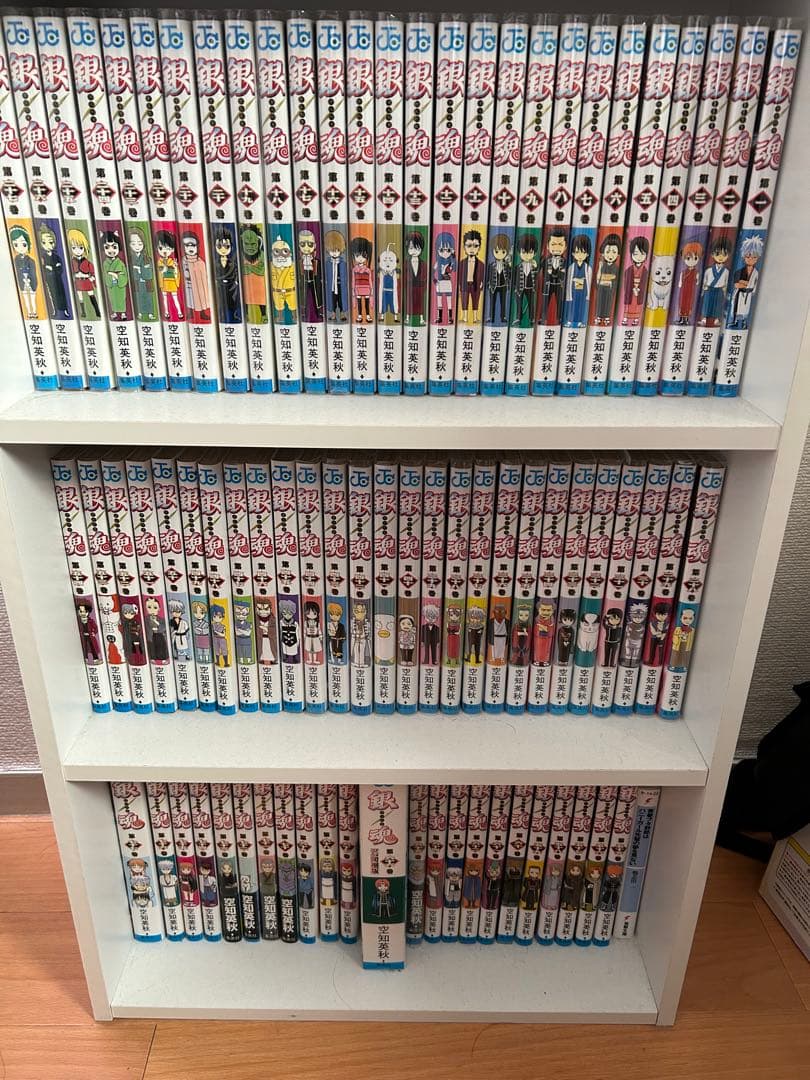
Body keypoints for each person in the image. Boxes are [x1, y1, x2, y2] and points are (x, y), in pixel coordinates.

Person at [37, 225, 71, 318]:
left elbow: (60, 268)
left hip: (58, 279)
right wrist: (48, 268)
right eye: (44, 242)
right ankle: (55, 311)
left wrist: (54, 268)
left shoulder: (57, 257)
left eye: (51, 242)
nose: (48, 245)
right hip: (49, 280)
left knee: (62, 294)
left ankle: (65, 310)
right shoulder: (42, 257)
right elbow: (42, 269)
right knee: (52, 295)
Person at [67, 228, 101, 319]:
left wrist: (91, 277)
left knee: (91, 295)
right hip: (78, 282)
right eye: (74, 248)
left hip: (86, 281)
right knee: (80, 297)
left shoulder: (87, 262)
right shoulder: (72, 262)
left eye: (81, 247)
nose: (77, 250)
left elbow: (92, 272)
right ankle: (83, 312)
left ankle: (97, 311)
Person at [213, 226, 241, 323]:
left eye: (226, 246)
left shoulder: (232, 262)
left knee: (232, 302)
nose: (223, 249)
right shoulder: (216, 262)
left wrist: (236, 282)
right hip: (220, 286)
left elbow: (236, 272)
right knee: (221, 302)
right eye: (219, 246)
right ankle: (222, 316)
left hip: (231, 286)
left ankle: (234, 315)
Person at [127, 227, 157, 320]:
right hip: (137, 283)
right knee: (138, 297)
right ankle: (139, 313)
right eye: (133, 244)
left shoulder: (147, 258)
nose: (137, 246)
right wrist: (140, 269)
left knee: (148, 298)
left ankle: (150, 313)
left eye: (140, 243)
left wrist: (140, 269)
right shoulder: (130, 259)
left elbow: (149, 273)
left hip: (146, 283)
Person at [181, 231, 211, 321]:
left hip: (198, 287)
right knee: (189, 298)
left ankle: (202, 313)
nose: (190, 248)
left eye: (193, 245)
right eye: (187, 245)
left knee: (200, 297)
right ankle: (190, 312)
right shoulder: (183, 261)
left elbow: (204, 278)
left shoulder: (200, 262)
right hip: (188, 285)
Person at [240, 225, 268, 321]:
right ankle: (247, 316)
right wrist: (252, 268)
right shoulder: (241, 256)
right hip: (247, 284)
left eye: (253, 244)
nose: (250, 247)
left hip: (259, 284)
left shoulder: (261, 255)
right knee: (247, 299)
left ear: (258, 243)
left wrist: (250, 268)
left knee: (261, 300)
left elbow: (261, 270)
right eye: (246, 244)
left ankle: (264, 315)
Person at [154, 229, 184, 320]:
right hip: (164, 283)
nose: (164, 251)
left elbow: (176, 273)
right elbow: (160, 271)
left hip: (172, 282)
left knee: (175, 298)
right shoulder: (159, 261)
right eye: (161, 248)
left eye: (168, 248)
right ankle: (166, 312)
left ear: (172, 249)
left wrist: (175, 269)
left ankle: (179, 312)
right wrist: (164, 269)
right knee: (164, 298)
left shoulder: (172, 261)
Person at [9, 225, 38, 318]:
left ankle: (34, 312)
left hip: (31, 284)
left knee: (32, 298)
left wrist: (30, 280)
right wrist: (22, 280)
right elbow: (17, 273)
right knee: (25, 299)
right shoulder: (16, 260)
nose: (20, 248)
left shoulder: (31, 260)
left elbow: (34, 273)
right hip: (23, 284)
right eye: (16, 245)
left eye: (24, 244)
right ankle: (29, 313)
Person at [100, 229, 129, 319]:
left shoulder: (120, 263)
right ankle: (115, 312)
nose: (111, 250)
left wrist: (116, 275)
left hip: (120, 286)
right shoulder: (105, 263)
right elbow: (105, 275)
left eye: (114, 247)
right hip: (111, 286)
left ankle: (123, 313)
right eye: (107, 247)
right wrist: (113, 275)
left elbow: (124, 275)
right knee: (112, 299)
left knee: (121, 299)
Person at [564, 234, 592, 327]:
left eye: (583, 252)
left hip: (583, 292)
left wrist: (588, 294)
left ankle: (580, 321)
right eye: (577, 252)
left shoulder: (588, 268)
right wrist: (568, 294)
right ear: (573, 253)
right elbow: (569, 281)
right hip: (573, 291)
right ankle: (570, 320)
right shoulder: (571, 267)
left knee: (581, 307)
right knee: (572, 306)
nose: (580, 255)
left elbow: (589, 282)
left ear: (587, 254)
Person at [540, 230, 567, 324]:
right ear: (548, 246)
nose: (556, 248)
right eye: (553, 244)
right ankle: (543, 317)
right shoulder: (546, 260)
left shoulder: (565, 262)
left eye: (560, 245)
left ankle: (559, 318)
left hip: (559, 285)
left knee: (559, 302)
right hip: (548, 285)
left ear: (565, 247)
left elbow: (565, 274)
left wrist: (562, 273)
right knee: (545, 302)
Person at [594, 233, 621, 325]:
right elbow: (598, 279)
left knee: (608, 303)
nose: (610, 255)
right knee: (599, 302)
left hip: (609, 289)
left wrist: (609, 280)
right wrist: (600, 268)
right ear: (603, 253)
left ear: (618, 254)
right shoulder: (601, 265)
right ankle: (598, 316)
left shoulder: (616, 267)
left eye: (614, 252)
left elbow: (615, 279)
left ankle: (606, 317)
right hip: (601, 288)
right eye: (608, 251)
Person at [458, 230, 484, 323]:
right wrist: (459, 285)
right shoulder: (461, 263)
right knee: (464, 300)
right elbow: (459, 275)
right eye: (469, 246)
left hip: (476, 284)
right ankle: (465, 317)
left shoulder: (481, 264)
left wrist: (482, 284)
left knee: (476, 300)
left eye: (475, 246)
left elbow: (483, 275)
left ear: (479, 247)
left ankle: (475, 317)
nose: (472, 249)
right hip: (465, 284)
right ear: (464, 247)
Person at [270, 235, 297, 323]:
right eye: (277, 252)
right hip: (277, 291)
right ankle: (280, 317)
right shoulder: (272, 266)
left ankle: (294, 316)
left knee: (293, 304)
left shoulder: (292, 266)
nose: (281, 255)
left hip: (290, 291)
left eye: (285, 251)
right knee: (279, 306)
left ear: (290, 254)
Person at [323, 230, 348, 321]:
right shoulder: (327, 263)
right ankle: (333, 313)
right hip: (331, 285)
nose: (334, 253)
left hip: (341, 284)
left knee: (341, 299)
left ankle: (342, 313)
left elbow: (345, 275)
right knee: (332, 299)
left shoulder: (343, 263)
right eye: (332, 250)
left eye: (337, 250)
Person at [486, 234, 511, 324]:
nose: (500, 254)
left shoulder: (507, 265)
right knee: (492, 302)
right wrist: (488, 284)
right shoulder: (491, 265)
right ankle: (491, 317)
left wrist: (508, 284)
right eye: (497, 251)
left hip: (503, 286)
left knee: (503, 302)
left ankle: (503, 317)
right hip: (493, 286)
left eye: (503, 252)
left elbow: (509, 275)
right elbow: (488, 276)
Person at [432, 231, 456, 325]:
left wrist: (453, 257)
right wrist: (434, 280)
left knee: (449, 300)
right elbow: (433, 271)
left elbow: (455, 268)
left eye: (448, 250)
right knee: (439, 300)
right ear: (437, 250)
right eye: (442, 250)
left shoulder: (451, 261)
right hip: (439, 282)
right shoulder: (438, 261)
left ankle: (450, 318)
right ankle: (439, 317)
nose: (445, 252)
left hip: (447, 282)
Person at [298, 229, 322, 321]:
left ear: (314, 245)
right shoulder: (300, 261)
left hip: (314, 281)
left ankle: (319, 312)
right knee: (303, 297)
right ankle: (303, 313)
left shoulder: (316, 261)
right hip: (303, 280)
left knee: (316, 297)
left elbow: (319, 273)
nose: (306, 248)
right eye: (303, 244)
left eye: (310, 244)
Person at [404, 231, 427, 322]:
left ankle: (421, 318)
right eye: (411, 248)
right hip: (410, 286)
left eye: (417, 248)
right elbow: (404, 275)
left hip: (419, 287)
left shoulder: (423, 264)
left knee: (420, 302)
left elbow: (425, 276)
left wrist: (423, 287)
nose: (413, 251)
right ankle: (407, 317)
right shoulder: (406, 263)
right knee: (409, 302)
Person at [350, 236, 373, 322]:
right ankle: (359, 315)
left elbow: (370, 280)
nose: (360, 258)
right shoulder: (354, 270)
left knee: (366, 301)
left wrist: (371, 289)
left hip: (366, 288)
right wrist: (353, 289)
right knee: (359, 302)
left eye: (363, 256)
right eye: (357, 255)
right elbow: (353, 280)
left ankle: (368, 315)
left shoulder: (367, 270)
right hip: (358, 288)